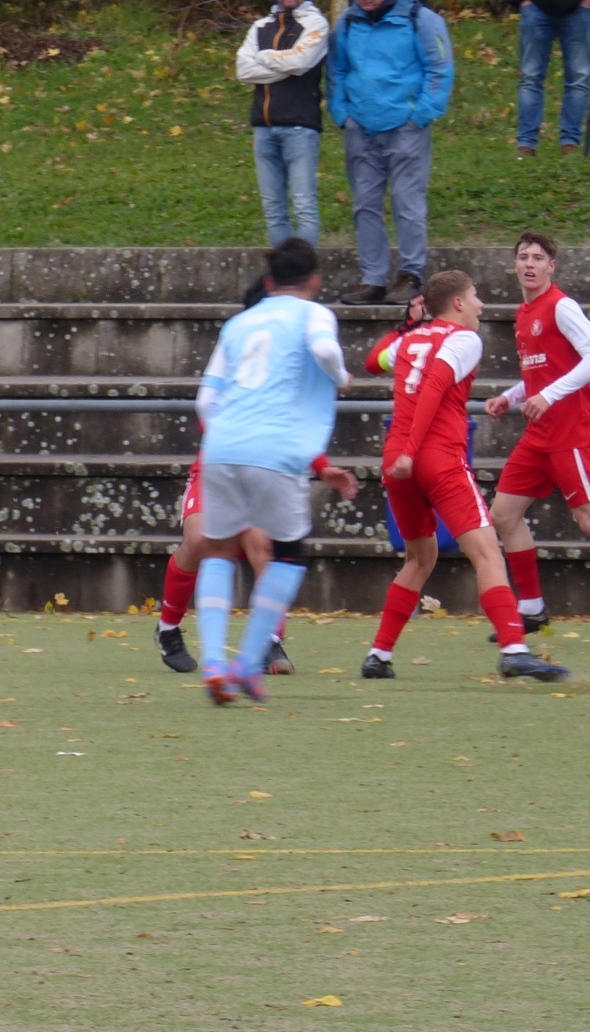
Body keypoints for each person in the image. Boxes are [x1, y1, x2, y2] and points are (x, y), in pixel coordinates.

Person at [361, 269, 568, 682]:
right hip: (434, 456)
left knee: (420, 558)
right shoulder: (464, 338)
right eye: (474, 296)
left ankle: (378, 655)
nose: (480, 304)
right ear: (457, 303)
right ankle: (513, 649)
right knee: (487, 553)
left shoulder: (410, 339)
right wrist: (413, 451)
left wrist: (404, 325)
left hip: (396, 461)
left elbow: (372, 362)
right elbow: (435, 386)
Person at [191, 238, 356, 704]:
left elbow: (204, 400)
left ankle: (213, 663)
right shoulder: (314, 314)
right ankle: (247, 664)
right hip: (275, 448)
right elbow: (324, 351)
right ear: (314, 282)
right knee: (287, 555)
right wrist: (341, 377)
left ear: (268, 282)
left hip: (220, 446)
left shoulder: (238, 324)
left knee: (218, 551)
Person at [482, 231, 590, 634]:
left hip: (569, 433)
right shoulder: (523, 313)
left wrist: (548, 396)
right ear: (515, 265)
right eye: (523, 257)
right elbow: (540, 371)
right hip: (539, 435)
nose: (529, 264)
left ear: (552, 267)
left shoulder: (561, 307)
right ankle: (532, 609)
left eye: (538, 258)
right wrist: (509, 397)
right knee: (503, 514)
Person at [156, 450, 351, 676]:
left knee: (263, 546)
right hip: (216, 468)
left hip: (262, 473)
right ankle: (168, 627)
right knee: (198, 539)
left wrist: (322, 467)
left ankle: (270, 641)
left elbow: (296, 429)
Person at [328, 0, 453, 308]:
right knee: (364, 205)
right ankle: (373, 279)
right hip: (360, 129)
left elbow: (440, 68)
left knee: (407, 201)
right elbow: (336, 70)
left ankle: (411, 275)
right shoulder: (347, 22)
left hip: (407, 128)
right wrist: (342, 114)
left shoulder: (422, 19)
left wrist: (421, 115)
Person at [235, 0, 329, 247]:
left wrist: (263, 56)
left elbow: (300, 63)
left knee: (303, 205)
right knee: (273, 209)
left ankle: (303, 269)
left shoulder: (316, 24)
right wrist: (283, 67)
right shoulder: (260, 26)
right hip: (263, 127)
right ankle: (282, 269)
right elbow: (243, 70)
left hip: (300, 126)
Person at [516, 0, 590, 158]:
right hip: (535, 8)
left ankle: (570, 145)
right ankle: (526, 145)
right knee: (530, 78)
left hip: (579, 10)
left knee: (578, 79)